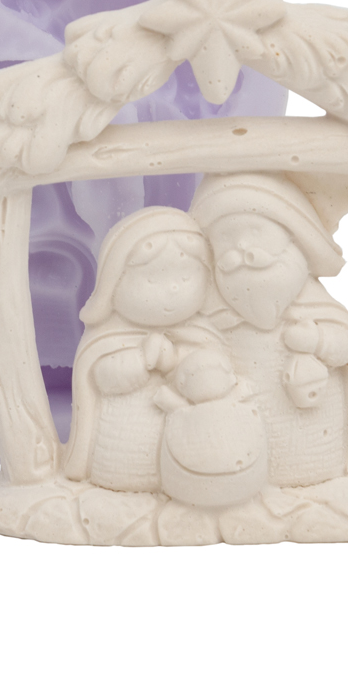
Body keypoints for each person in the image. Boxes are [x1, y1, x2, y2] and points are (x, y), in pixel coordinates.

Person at [190, 173, 348, 487]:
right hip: (237, 442)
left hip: (314, 435)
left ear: (292, 238)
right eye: (226, 236)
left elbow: (347, 346)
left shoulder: (314, 306)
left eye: (256, 231)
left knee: (309, 468)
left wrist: (319, 341)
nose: (241, 246)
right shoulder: (212, 314)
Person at [62, 207, 223, 492]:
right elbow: (102, 378)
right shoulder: (107, 339)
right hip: (125, 437)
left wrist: (176, 361)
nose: (173, 290)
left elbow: (216, 376)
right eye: (152, 280)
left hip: (189, 444)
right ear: (113, 283)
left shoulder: (202, 335)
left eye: (186, 279)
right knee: (128, 467)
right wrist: (140, 361)